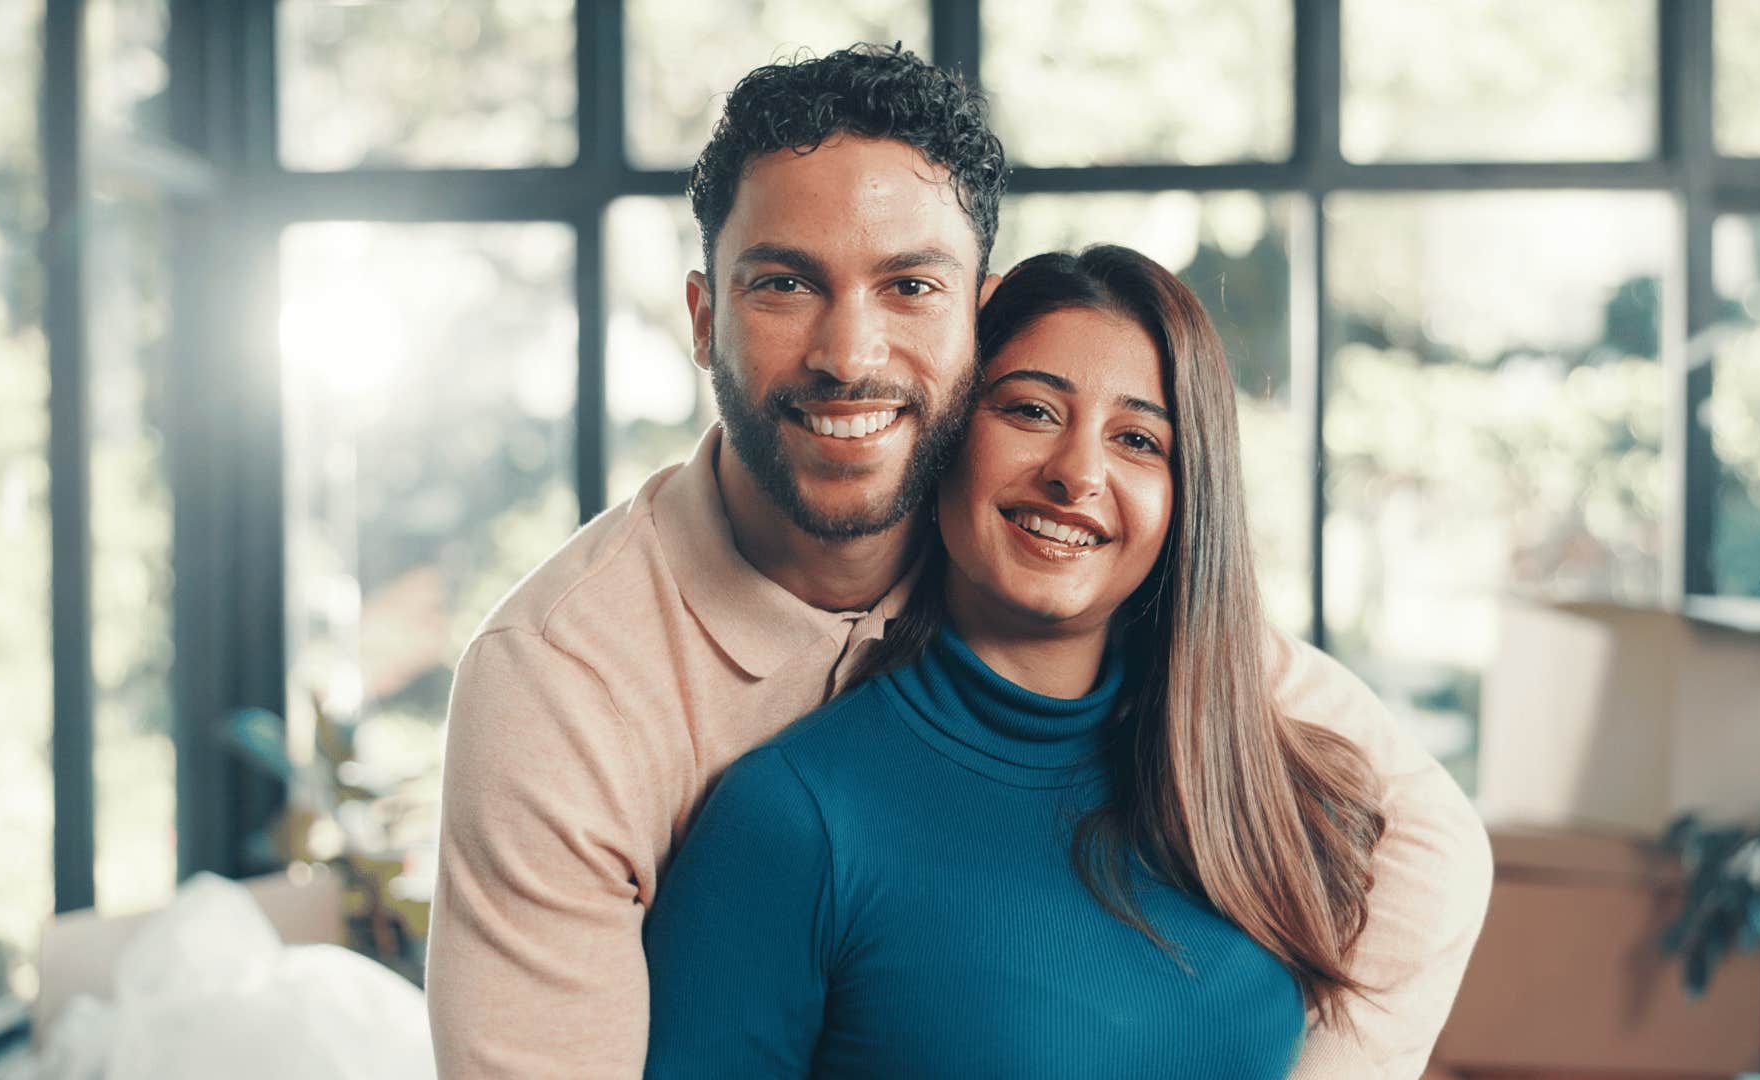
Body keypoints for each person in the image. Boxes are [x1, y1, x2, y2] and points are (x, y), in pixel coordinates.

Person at [425, 45, 1491, 1080]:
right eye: (785, 284)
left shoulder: (1043, 562)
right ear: (704, 321)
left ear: (980, 325)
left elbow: (1429, 842)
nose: (850, 356)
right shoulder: (561, 682)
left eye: (911, 288)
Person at [639, 246, 1475, 1078]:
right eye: (1032, 411)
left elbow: (1446, 855)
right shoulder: (793, 822)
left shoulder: (1262, 793)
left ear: (1190, 500)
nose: (1078, 473)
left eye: (1139, 439)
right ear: (948, 438)